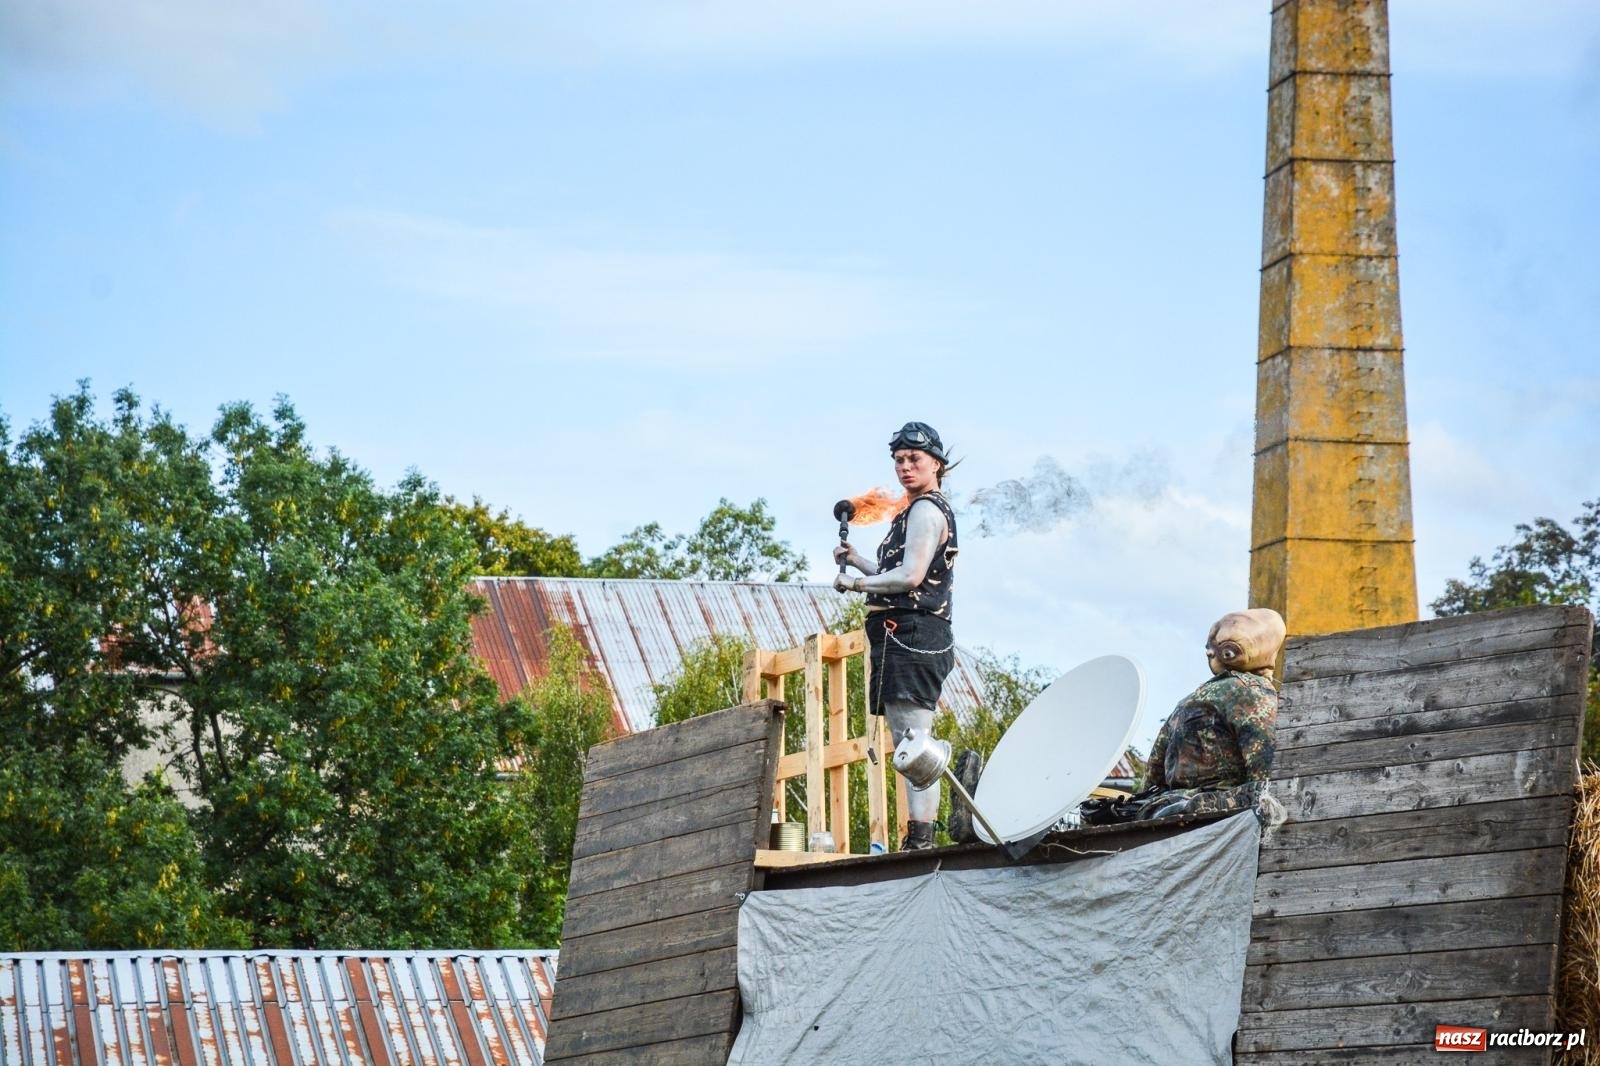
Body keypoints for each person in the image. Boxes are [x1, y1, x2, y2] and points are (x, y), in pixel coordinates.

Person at [834, 421, 965, 850]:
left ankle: (921, 839)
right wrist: (858, 563)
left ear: (936, 465)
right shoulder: (911, 511)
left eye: (914, 460)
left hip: (914, 633)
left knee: (914, 742)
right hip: (901, 634)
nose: (905, 467)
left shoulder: (927, 510)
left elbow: (910, 578)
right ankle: (919, 835)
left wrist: (854, 585)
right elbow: (896, 574)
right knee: (906, 741)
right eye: (899, 461)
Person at [1138, 607, 1286, 820]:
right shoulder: (1254, 693)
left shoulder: (1187, 700)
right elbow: (1266, 769)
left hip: (1166, 803)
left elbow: (1152, 777)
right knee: (1267, 793)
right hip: (1216, 804)